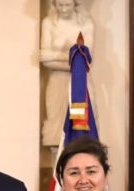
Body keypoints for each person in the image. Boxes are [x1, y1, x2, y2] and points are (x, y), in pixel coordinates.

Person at [39, 0, 95, 150]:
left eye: (67, 5)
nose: (63, 9)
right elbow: (45, 60)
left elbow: (86, 60)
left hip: (80, 83)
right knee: (55, 131)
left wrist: (53, 56)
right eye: (60, 5)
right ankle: (57, 163)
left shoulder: (86, 24)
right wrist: (73, 56)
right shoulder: (48, 23)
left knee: (79, 129)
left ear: (75, 3)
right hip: (57, 81)